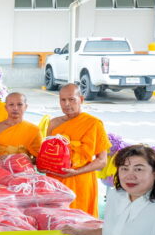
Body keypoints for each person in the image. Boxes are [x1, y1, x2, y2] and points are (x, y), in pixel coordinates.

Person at [46, 84, 111, 216]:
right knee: (56, 220)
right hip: (56, 181)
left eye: (71, 99)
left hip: (81, 180)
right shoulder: (54, 123)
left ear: (81, 99)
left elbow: (102, 161)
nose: (66, 104)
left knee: (80, 220)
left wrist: (76, 172)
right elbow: (48, 153)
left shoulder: (93, 123)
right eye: (63, 100)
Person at [0, 92, 42, 161]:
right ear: (6, 107)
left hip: (24, 167)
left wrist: (22, 162)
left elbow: (39, 159)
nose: (15, 108)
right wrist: (3, 163)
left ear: (25, 107)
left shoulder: (34, 130)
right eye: (11, 104)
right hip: (0, 166)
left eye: (19, 104)